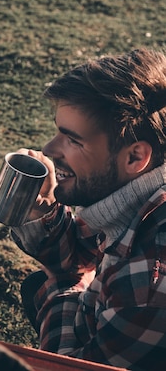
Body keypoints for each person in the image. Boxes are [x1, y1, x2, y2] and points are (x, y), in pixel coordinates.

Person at [12, 48, 166, 371]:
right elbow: (81, 250)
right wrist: (44, 213)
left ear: (135, 158)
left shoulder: (148, 277)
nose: (49, 149)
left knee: (43, 288)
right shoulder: (132, 193)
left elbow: (66, 367)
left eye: (73, 140)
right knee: (35, 287)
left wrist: (60, 285)